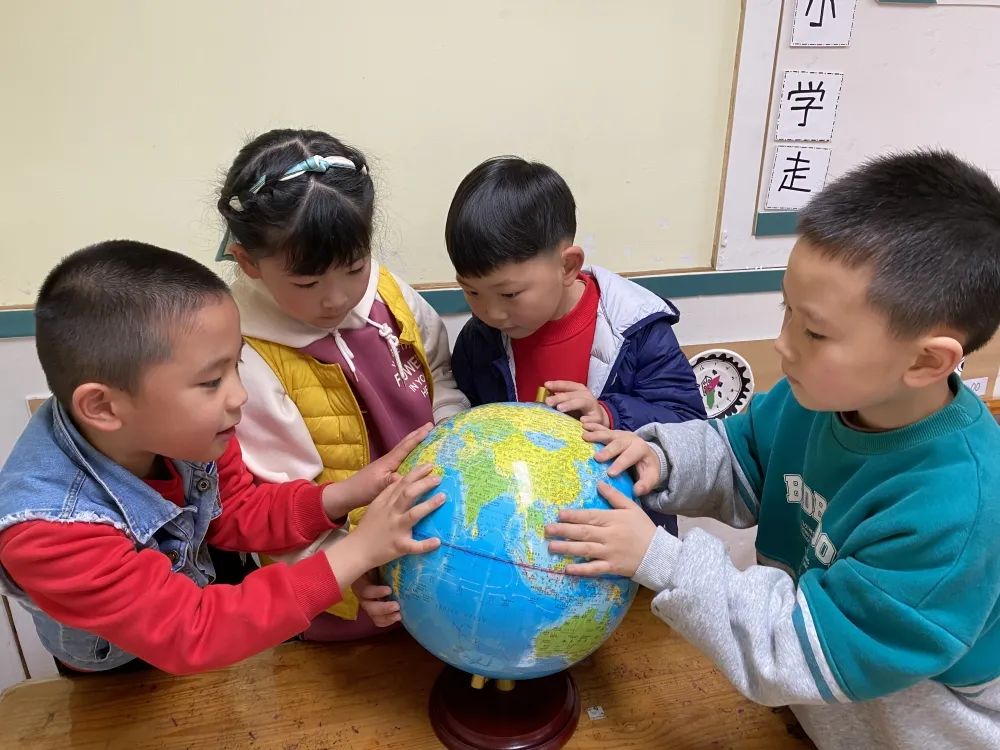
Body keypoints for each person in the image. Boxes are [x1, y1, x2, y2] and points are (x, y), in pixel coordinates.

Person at [546, 151, 1000, 748]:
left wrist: (662, 558)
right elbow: (741, 459)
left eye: (814, 331)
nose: (782, 345)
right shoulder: (810, 399)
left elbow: (798, 651)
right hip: (822, 708)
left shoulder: (957, 509)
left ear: (925, 360)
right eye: (786, 309)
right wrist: (662, 459)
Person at [0, 242, 444, 674]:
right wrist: (360, 551)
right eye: (211, 381)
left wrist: (345, 494)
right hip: (119, 669)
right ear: (102, 407)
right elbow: (192, 629)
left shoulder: (190, 432)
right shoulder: (47, 531)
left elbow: (237, 511)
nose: (239, 396)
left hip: (198, 615)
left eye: (238, 365)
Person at [216, 129, 468, 639]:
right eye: (307, 283)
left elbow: (440, 374)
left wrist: (456, 439)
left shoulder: (388, 291)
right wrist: (349, 577)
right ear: (248, 262)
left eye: (354, 268)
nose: (337, 298)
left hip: (443, 556)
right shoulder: (243, 354)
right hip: (347, 592)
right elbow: (277, 503)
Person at [446, 155, 705, 535]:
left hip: (621, 539)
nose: (491, 312)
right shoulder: (480, 339)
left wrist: (609, 415)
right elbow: (467, 426)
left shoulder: (637, 329)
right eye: (471, 292)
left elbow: (690, 426)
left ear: (567, 267)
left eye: (510, 293)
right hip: (521, 539)